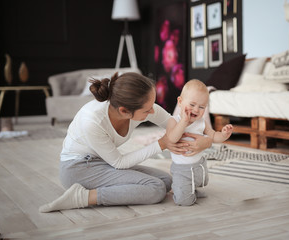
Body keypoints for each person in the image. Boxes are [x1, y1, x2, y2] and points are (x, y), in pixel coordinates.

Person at [39, 72, 212, 212]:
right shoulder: (91, 121)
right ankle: (82, 197)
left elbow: (176, 127)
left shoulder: (140, 105)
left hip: (103, 162)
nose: (153, 111)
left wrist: (206, 141)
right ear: (124, 111)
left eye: (153, 104)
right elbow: (119, 162)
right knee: (156, 189)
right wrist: (162, 143)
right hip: (78, 169)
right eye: (147, 109)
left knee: (166, 181)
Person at [166, 79, 233, 206]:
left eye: (202, 107)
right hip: (181, 169)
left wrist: (223, 135)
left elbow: (213, 136)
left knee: (199, 181)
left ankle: (190, 189)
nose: (196, 110)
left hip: (199, 165)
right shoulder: (173, 121)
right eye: (192, 105)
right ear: (180, 102)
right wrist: (184, 122)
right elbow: (172, 139)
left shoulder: (201, 122)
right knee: (184, 201)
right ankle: (179, 190)